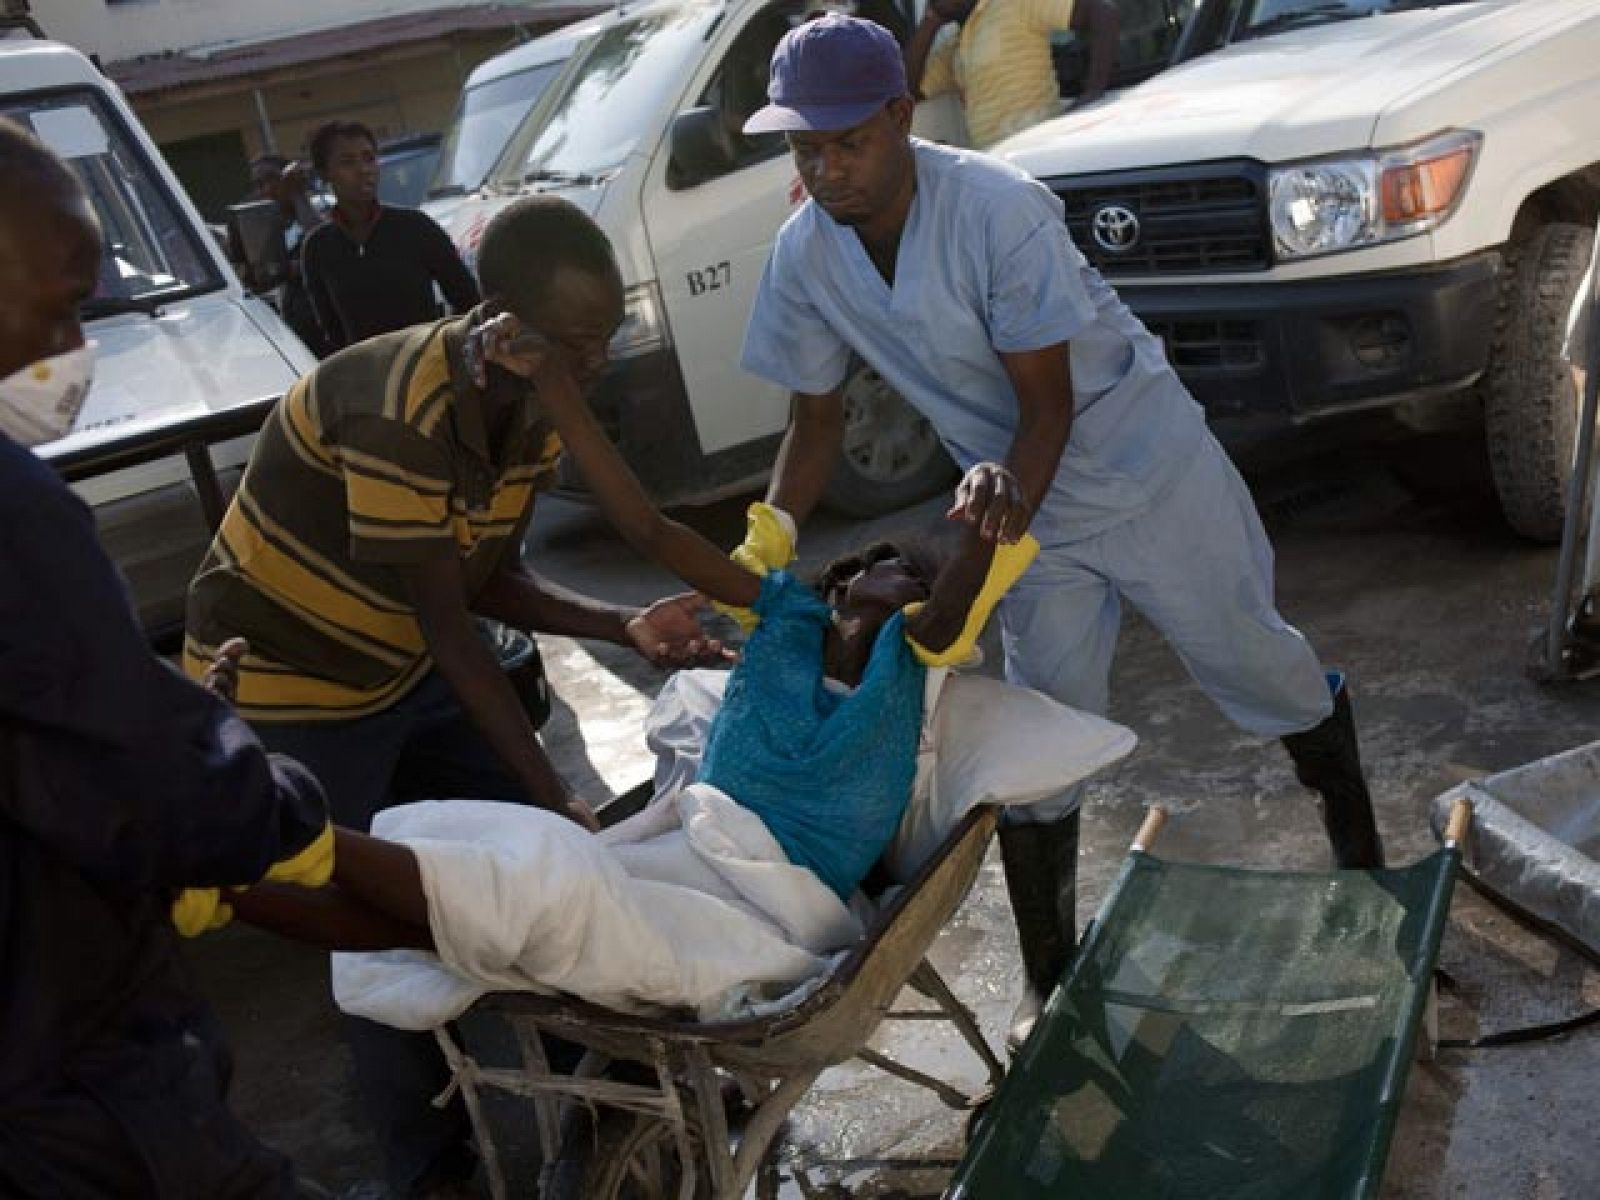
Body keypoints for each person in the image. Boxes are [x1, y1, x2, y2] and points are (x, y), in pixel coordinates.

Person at [735, 14, 1385, 1050]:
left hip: (1137, 470)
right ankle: (1051, 983)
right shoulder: (805, 251)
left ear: (902, 116)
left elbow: (1046, 407)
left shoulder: (995, 210)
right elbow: (814, 417)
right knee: (1042, 740)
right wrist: (769, 533)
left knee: (1255, 667)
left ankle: (1364, 865)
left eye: (846, 140)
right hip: (1011, 510)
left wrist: (984, 550)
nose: (824, 166)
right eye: (802, 147)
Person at [183, 194, 723, 1199]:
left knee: (548, 877)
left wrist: (622, 624)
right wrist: (546, 788)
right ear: (501, 321)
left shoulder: (529, 410)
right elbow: (450, 626)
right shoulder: (401, 405)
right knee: (369, 923)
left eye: (604, 338)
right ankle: (431, 1171)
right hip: (289, 683)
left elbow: (486, 583)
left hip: (402, 661)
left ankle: (590, 1091)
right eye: (572, 342)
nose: (591, 364)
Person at [0, 117, 332, 1199]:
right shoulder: (15, 509)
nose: (74, 350)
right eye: (57, 310)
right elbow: (163, 791)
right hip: (74, 1086)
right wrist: (259, 790)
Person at [300, 120, 480, 352]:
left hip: (428, 369)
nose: (364, 169)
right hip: (367, 377)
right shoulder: (318, 247)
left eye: (369, 158)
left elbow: (468, 300)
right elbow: (332, 334)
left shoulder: (416, 227)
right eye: (347, 162)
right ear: (325, 173)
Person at [905, 0, 1119, 151]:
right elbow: (907, 88)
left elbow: (1102, 12)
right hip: (997, 164)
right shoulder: (954, 46)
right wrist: (930, 21)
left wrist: (1094, 91)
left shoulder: (1015, 4)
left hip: (1040, 149)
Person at [239, 152, 332, 358]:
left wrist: (297, 195)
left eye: (272, 180)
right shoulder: (267, 228)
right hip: (298, 335)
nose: (265, 190)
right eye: (258, 185)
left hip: (329, 331)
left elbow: (324, 249)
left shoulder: (320, 212)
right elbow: (260, 277)